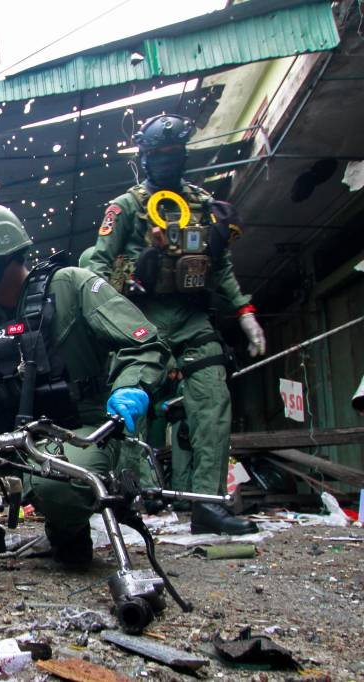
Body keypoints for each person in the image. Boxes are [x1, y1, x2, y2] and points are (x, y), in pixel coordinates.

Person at [0, 203, 168, 564]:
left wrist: (132, 385)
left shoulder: (72, 286)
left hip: (76, 430)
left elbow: (144, 343)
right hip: (5, 435)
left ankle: (68, 531)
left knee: (58, 490)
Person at [87, 113, 264, 535]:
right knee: (133, 407)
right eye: (159, 154)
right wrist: (122, 286)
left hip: (192, 317)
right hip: (141, 320)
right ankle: (133, 496)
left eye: (175, 153)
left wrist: (245, 314)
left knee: (212, 400)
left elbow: (218, 267)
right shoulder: (126, 207)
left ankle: (207, 505)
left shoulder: (203, 205)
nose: (168, 161)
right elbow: (93, 266)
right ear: (145, 158)